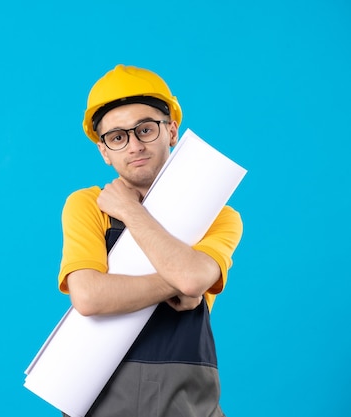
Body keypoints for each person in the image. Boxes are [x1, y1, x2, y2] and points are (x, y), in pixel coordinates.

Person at [58, 64, 243, 417]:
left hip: (187, 401)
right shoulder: (87, 205)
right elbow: (88, 296)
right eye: (117, 137)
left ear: (171, 131)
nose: (134, 146)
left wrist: (131, 211)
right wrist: (179, 284)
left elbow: (192, 280)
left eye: (145, 129)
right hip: (98, 393)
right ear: (104, 151)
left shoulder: (219, 215)